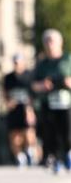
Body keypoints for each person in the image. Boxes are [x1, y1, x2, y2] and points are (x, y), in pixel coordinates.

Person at [31, 29, 71, 172]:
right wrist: (43, 85)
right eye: (47, 41)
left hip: (66, 103)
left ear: (60, 42)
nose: (49, 44)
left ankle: (68, 156)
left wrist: (67, 82)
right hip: (48, 103)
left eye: (52, 41)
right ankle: (54, 159)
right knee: (50, 134)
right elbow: (33, 85)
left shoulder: (67, 59)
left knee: (67, 133)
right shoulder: (42, 64)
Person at [3, 53, 38, 166]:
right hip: (14, 110)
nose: (17, 65)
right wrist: (8, 102)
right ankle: (20, 157)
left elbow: (33, 94)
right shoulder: (9, 78)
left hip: (27, 110)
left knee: (29, 133)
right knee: (15, 137)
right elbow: (5, 93)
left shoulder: (30, 76)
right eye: (15, 63)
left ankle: (31, 153)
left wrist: (30, 110)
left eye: (19, 63)